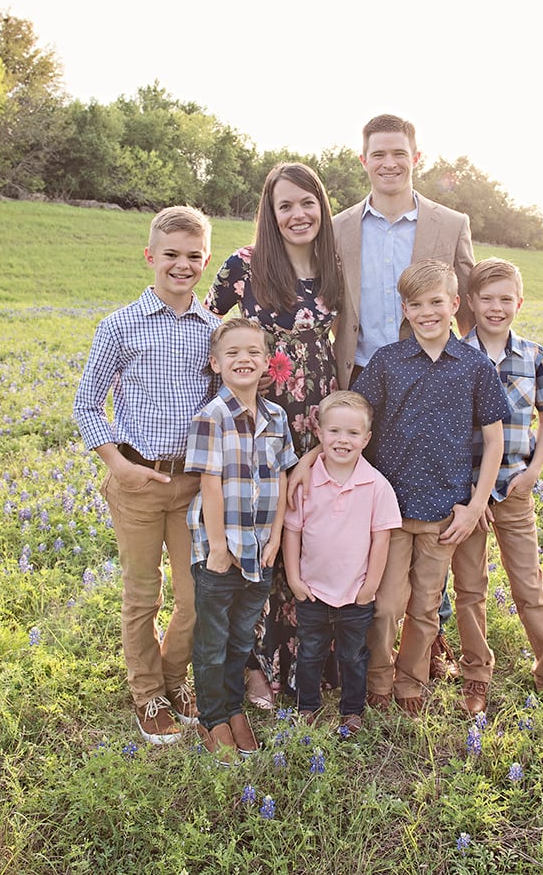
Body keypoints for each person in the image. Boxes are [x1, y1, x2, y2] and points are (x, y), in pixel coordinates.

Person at [293, 259, 509, 714]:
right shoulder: (388, 362)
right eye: (416, 304)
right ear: (404, 310)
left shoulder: (474, 366)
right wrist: (310, 458)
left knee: (426, 607)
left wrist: (474, 505)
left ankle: (410, 680)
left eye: (436, 302)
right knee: (387, 604)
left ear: (454, 304)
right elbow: (353, 415)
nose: (427, 312)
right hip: (387, 513)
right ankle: (378, 677)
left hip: (444, 513)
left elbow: (494, 441)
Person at [326, 112, 477, 678]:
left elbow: (466, 296)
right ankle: (364, 639)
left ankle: (426, 639)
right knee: (371, 508)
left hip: (430, 387)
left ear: (417, 158)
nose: (389, 163)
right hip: (363, 385)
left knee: (428, 506)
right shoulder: (338, 227)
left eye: (399, 153)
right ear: (363, 160)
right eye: (377, 154)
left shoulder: (450, 221)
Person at [71, 205, 219, 745]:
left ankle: (175, 677)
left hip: (191, 483)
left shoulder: (212, 331)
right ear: (150, 256)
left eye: (194, 256)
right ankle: (146, 691)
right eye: (172, 255)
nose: (182, 265)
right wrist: (118, 466)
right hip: (136, 477)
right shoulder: (120, 325)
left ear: (206, 260)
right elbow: (87, 405)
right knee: (142, 595)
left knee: (195, 597)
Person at [208, 161, 346, 709]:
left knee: (311, 526)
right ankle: (256, 665)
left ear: (322, 207)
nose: (297, 214)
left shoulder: (336, 264)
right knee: (264, 529)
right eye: (284, 205)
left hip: (321, 415)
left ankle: (319, 655)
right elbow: (203, 329)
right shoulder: (243, 266)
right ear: (269, 211)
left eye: (307, 202)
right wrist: (240, 368)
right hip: (262, 415)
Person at [450, 257, 543, 713]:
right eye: (487, 298)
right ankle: (476, 675)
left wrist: (534, 470)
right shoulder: (456, 354)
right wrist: (468, 495)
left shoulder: (534, 355)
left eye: (505, 299)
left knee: (528, 582)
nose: (496, 307)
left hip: (515, 486)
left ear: (519, 302)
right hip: (468, 493)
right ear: (471, 303)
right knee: (470, 587)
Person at [184, 317, 298, 762]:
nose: (244, 360)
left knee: (239, 638)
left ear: (267, 360)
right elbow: (210, 484)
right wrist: (217, 547)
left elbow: (284, 479)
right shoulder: (211, 417)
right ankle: (212, 717)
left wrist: (274, 540)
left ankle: (233, 710)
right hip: (219, 551)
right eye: (232, 353)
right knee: (213, 639)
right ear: (216, 363)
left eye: (253, 351)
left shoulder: (276, 417)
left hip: (260, 550)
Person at [282, 391, 401, 736]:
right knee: (310, 653)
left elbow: (382, 538)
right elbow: (292, 532)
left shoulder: (377, 485)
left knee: (352, 655)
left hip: (355, 592)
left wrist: (370, 588)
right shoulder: (305, 482)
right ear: (319, 433)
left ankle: (352, 710)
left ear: (366, 439)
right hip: (312, 591)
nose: (342, 440)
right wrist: (294, 578)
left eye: (352, 434)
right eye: (334, 431)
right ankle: (308, 706)